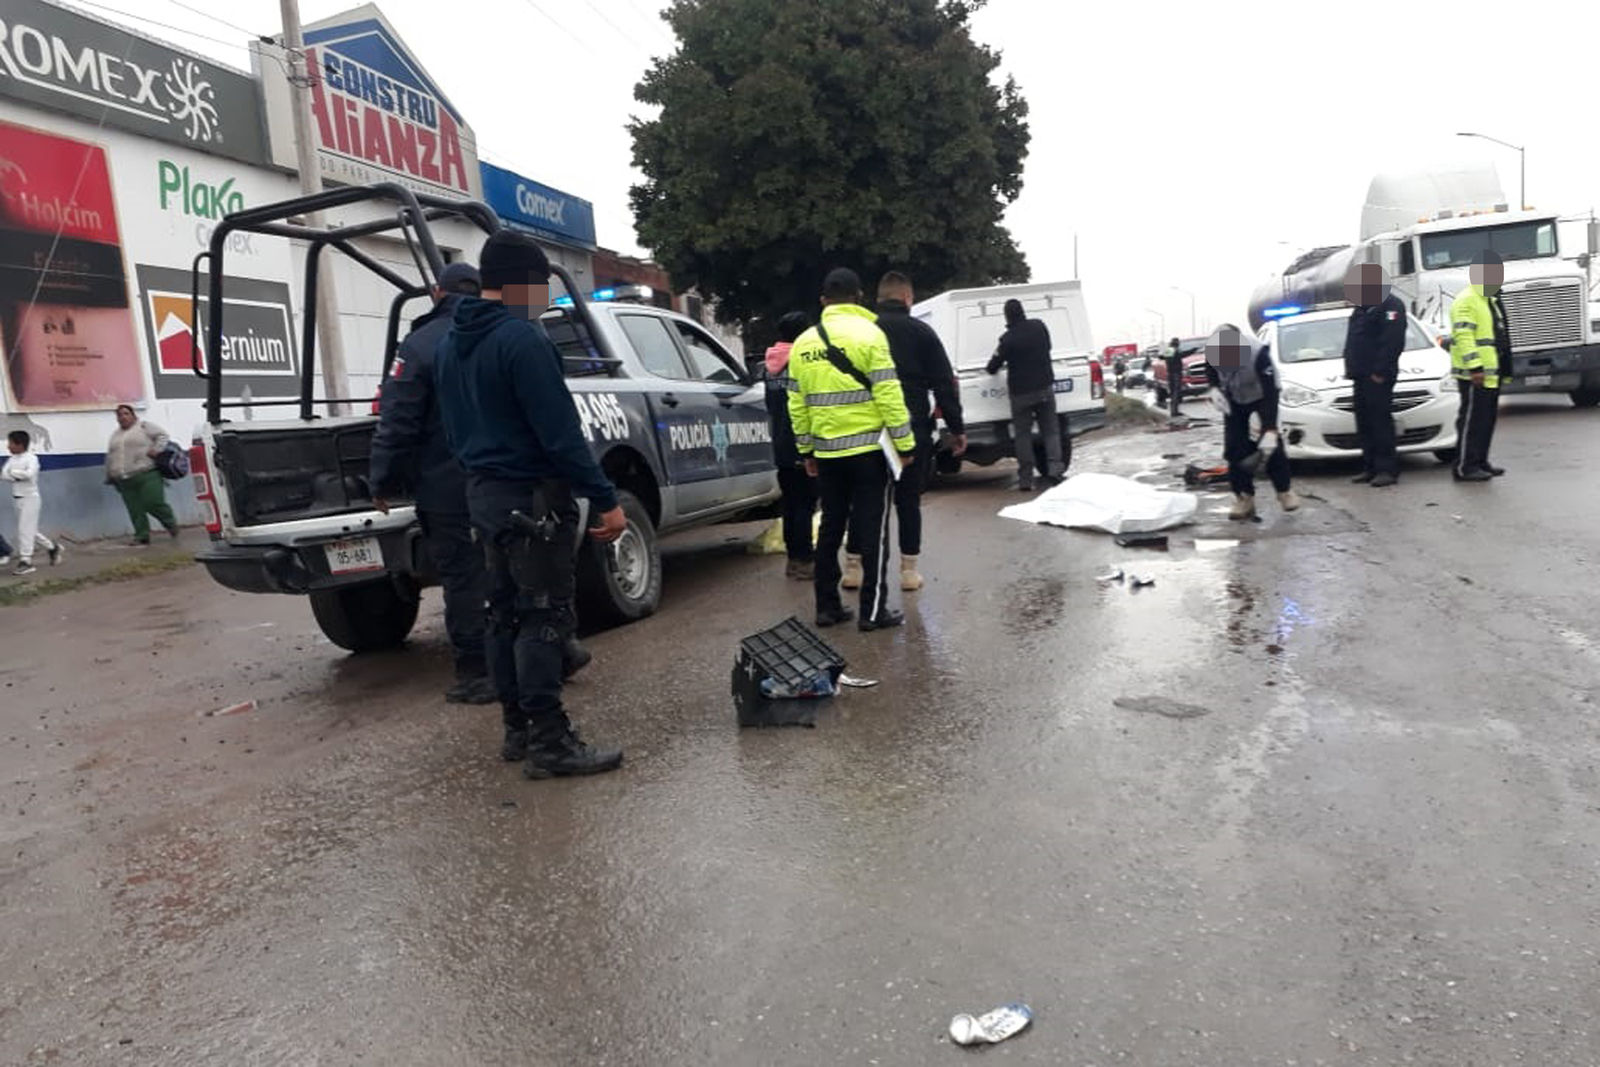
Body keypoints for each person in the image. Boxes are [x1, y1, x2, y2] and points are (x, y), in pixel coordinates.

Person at [432, 231, 625, 779]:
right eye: (539, 285)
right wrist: (605, 499)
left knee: (503, 615)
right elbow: (560, 434)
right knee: (543, 618)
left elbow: (452, 428)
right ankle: (550, 742)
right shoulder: (523, 340)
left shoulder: (451, 342)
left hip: (485, 498)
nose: (542, 296)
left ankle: (517, 729)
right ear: (519, 283)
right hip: (532, 499)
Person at [370, 262, 594, 705]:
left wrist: (383, 477)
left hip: (447, 485)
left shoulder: (422, 344)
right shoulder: (509, 335)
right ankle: (555, 655)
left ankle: (479, 673)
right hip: (508, 482)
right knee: (523, 578)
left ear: (438, 293)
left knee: (466, 580)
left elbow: (398, 419)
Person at [787, 267, 915, 631]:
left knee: (830, 528)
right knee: (873, 529)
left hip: (828, 454)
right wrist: (905, 444)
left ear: (823, 300)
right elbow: (890, 394)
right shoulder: (871, 335)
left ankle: (827, 608)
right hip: (870, 452)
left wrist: (807, 451)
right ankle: (872, 612)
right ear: (859, 296)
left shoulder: (805, 343)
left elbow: (796, 405)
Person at [874, 271, 966, 591]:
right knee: (908, 501)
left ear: (879, 298)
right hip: (912, 431)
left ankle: (858, 567)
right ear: (908, 298)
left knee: (870, 502)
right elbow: (943, 383)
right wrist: (956, 428)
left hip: (870, 432)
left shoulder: (865, 333)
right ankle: (909, 571)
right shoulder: (922, 332)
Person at [1203, 323, 1301, 521]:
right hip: (1233, 398)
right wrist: (1213, 389)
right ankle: (1243, 497)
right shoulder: (1212, 352)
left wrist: (1271, 428)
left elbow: (1271, 391)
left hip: (1261, 396)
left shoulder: (1258, 354)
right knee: (1234, 448)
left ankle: (1284, 491)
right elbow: (1211, 373)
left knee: (1270, 444)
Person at [764, 311, 819, 581]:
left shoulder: (770, 366)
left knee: (790, 503)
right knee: (805, 505)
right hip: (801, 443)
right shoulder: (800, 362)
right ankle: (806, 559)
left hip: (780, 445)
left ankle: (793, 559)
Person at [985, 299, 1060, 491]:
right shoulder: (1039, 326)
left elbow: (992, 367)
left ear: (1007, 316)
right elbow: (1048, 347)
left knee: (1023, 436)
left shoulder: (1007, 339)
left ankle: (1026, 480)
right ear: (1023, 311)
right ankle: (1054, 472)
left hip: (1021, 394)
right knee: (1050, 431)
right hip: (1044, 387)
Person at [1450, 249, 1510, 482]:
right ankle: (1466, 466)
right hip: (1476, 374)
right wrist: (1475, 367)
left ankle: (1480, 460)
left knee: (1485, 421)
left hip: (1491, 374)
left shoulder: (1489, 299)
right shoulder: (1468, 300)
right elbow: (1464, 336)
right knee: (1472, 422)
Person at [105, 405, 179, 546]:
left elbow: (162, 435)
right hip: (124, 478)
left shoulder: (144, 427)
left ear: (133, 415)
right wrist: (110, 473)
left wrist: (156, 449)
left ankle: (170, 523)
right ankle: (142, 536)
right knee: (135, 509)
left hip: (147, 473)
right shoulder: (115, 435)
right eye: (119, 415)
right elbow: (111, 456)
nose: (123, 417)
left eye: (126, 413)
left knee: (153, 503)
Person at [4, 430, 61, 576]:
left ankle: (26, 561)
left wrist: (14, 474)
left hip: (31, 498)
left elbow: (29, 474)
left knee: (24, 530)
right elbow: (3, 474)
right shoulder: (11, 460)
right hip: (17, 498)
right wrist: (17, 475)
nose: (8, 446)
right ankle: (52, 548)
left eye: (10, 443)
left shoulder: (32, 459)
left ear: (20, 444)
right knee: (29, 530)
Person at [1164, 336, 1184, 417]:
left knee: (1174, 393)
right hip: (1175, 373)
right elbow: (1172, 360)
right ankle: (1174, 412)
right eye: (1178, 343)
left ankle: (1174, 411)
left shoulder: (1169, 350)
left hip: (1171, 374)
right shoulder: (1173, 350)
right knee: (1175, 393)